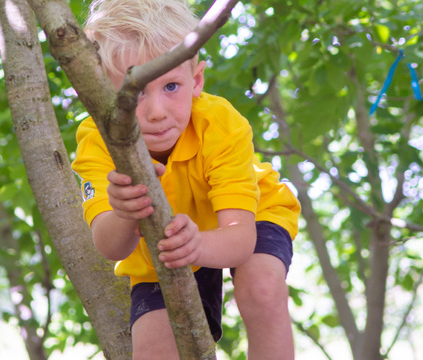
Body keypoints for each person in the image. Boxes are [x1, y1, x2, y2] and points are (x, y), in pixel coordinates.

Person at [71, 1, 301, 359]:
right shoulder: (97, 139)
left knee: (262, 288)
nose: (156, 111)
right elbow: (111, 247)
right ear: (100, 97)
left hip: (252, 215)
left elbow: (240, 238)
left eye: (172, 87)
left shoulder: (220, 123)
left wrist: (200, 246)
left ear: (196, 80)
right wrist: (125, 211)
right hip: (164, 247)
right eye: (135, 93)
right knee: (154, 350)